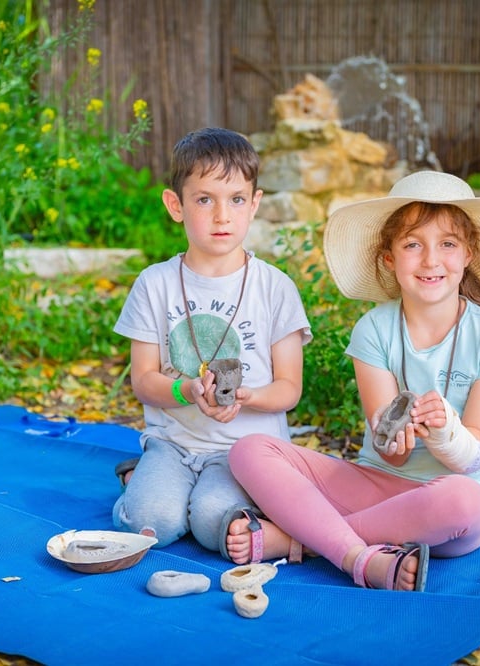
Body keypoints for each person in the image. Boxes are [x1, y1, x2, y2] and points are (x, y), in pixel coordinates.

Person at [227, 170, 480, 590]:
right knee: (249, 450)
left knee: (464, 503)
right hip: (375, 484)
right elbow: (389, 452)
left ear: (468, 254)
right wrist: (396, 437)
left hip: (442, 501)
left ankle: (301, 540)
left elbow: (473, 458)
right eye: (413, 245)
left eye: (447, 244)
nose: (431, 260)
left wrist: (445, 430)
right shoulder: (374, 329)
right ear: (390, 258)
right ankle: (360, 555)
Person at [111, 127, 312, 560]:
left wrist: (249, 395)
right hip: (174, 442)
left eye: (236, 199)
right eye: (205, 199)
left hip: (245, 450)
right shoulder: (155, 284)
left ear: (254, 203)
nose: (223, 215)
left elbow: (289, 388)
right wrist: (187, 390)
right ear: (175, 205)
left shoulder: (275, 288)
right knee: (151, 524)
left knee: (213, 524)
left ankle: (187, 492)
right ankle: (145, 478)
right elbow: (144, 381)